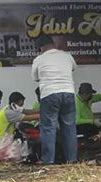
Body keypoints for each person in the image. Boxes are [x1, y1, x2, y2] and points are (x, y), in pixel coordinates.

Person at [31, 35, 78, 164]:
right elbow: (73, 68)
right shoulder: (66, 55)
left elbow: (35, 78)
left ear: (40, 47)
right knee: (69, 127)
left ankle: (48, 161)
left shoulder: (39, 60)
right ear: (53, 44)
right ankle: (72, 159)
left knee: (48, 128)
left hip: (50, 94)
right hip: (68, 92)